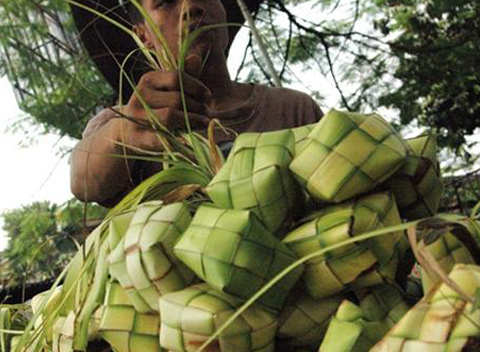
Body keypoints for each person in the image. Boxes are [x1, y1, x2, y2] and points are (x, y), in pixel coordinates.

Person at [70, 0, 323, 207]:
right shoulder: (125, 122)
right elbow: (83, 184)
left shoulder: (293, 108)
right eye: (166, 3)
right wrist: (124, 134)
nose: (191, 7)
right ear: (143, 34)